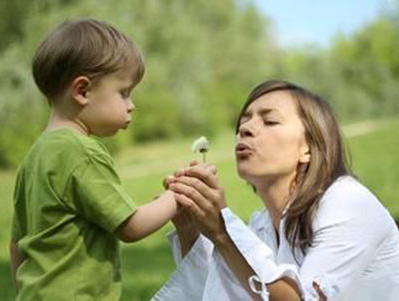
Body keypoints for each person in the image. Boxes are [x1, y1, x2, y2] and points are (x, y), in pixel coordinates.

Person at [153, 80, 399, 300]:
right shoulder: (262, 226)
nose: (244, 130)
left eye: (269, 121)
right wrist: (190, 229)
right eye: (243, 122)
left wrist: (222, 231)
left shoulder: (349, 204)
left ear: (309, 149)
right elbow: (220, 292)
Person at [9, 18, 178, 300]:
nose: (131, 105)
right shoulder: (82, 151)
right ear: (82, 91)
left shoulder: (35, 155)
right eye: (123, 92)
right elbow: (131, 226)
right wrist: (174, 198)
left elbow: (16, 245)